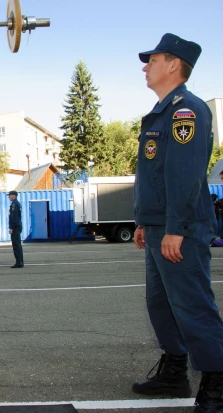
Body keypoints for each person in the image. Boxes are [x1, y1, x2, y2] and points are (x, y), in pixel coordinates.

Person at [131, 33, 223, 412]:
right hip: (158, 227)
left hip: (178, 228)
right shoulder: (163, 112)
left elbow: (184, 176)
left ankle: (217, 383)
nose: (145, 66)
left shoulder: (187, 111)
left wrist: (175, 228)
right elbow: (155, 176)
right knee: (161, 305)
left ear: (173, 65)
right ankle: (173, 373)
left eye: (152, 60)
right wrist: (144, 222)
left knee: (192, 306)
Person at [8, 191, 24, 268]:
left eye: (9, 195)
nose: (9, 197)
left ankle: (19, 262)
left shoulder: (14, 204)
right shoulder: (17, 203)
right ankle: (20, 262)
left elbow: (13, 217)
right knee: (18, 245)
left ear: (14, 196)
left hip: (15, 227)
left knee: (16, 245)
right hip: (17, 226)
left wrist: (11, 227)